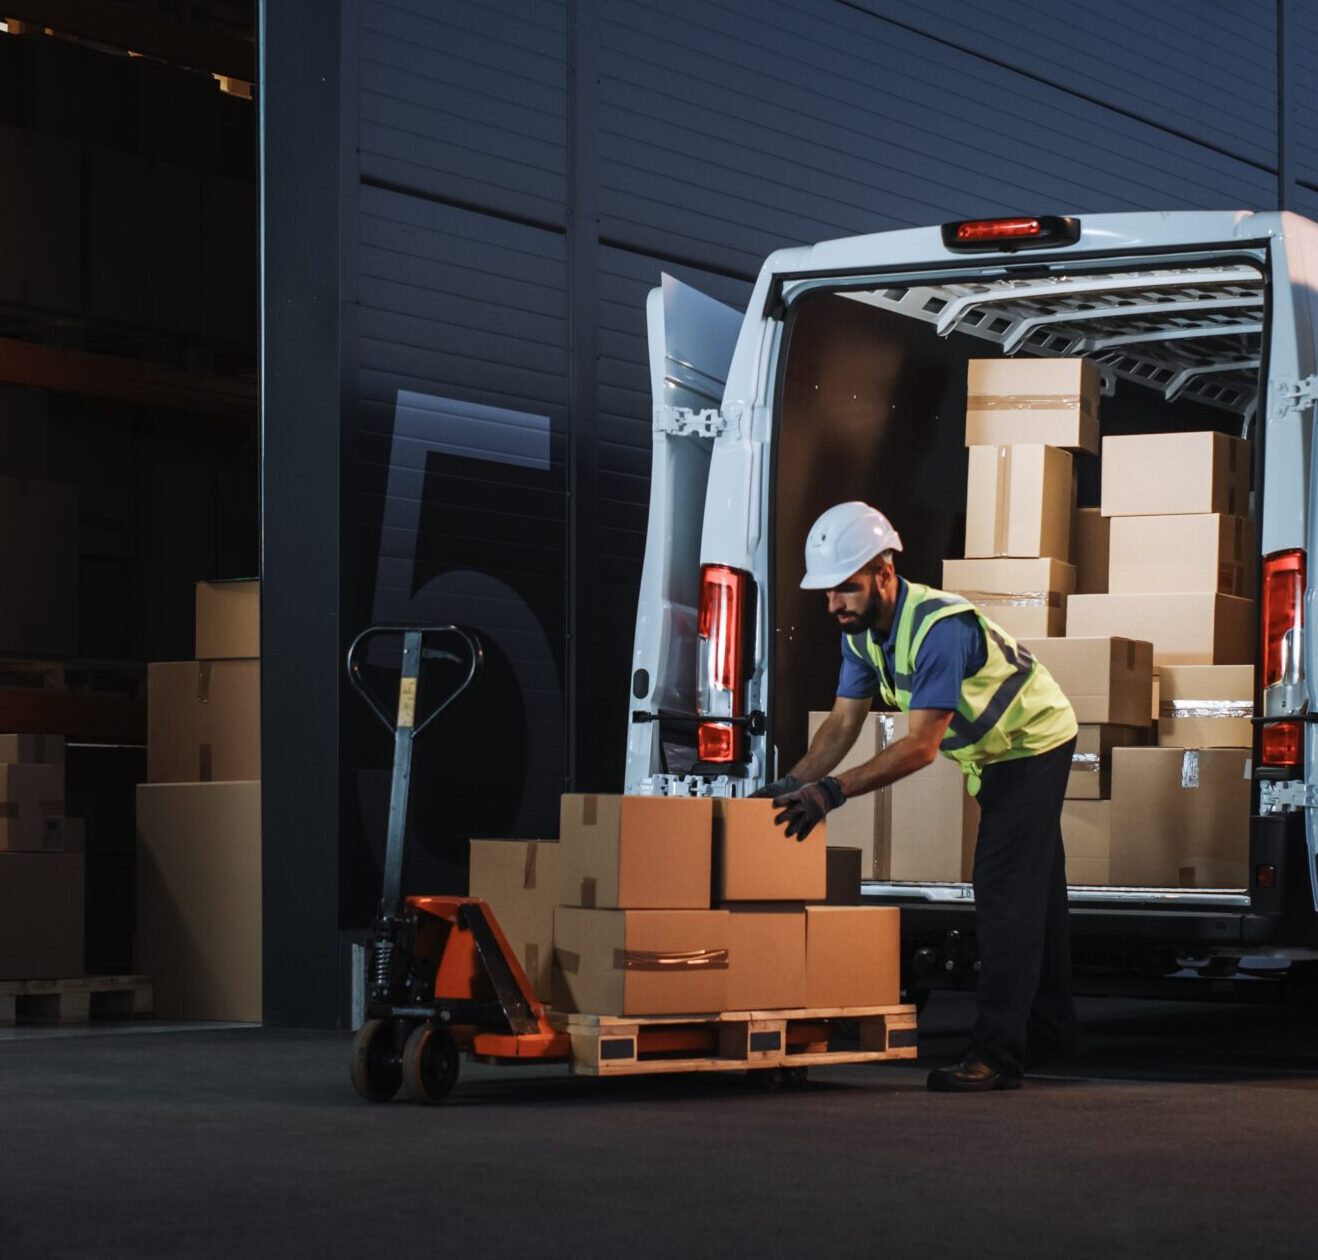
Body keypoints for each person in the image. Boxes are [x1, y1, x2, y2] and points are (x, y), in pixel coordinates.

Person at [755, 501, 1081, 1092]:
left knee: (1005, 894)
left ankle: (996, 1057)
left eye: (845, 589)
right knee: (1039, 896)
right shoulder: (862, 635)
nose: (834, 605)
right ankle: (1053, 1035)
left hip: (1032, 746)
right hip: (995, 755)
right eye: (826, 593)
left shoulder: (938, 629)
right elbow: (843, 723)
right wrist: (793, 782)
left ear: (884, 571)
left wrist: (832, 792)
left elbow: (921, 748)